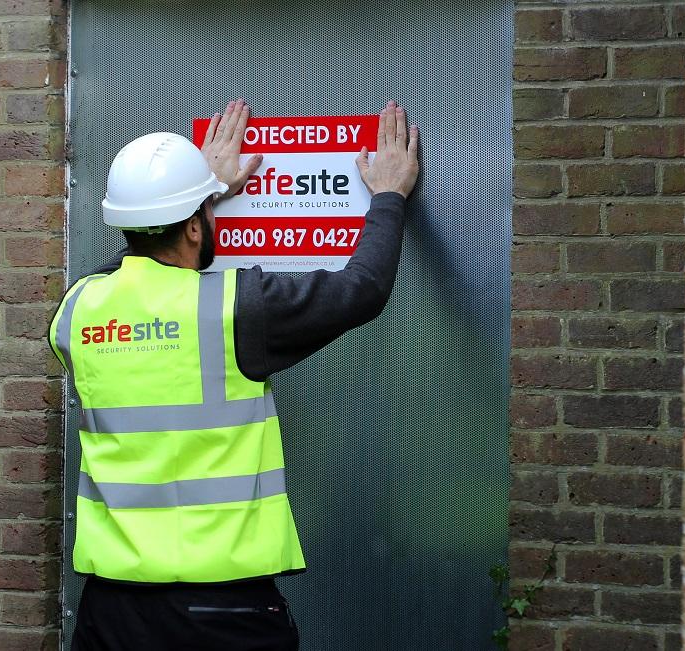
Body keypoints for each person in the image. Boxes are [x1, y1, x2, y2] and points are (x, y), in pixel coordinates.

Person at [50, 99, 419, 651]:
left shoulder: (76, 311)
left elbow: (124, 271)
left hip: (112, 613)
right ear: (196, 228)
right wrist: (389, 196)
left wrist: (201, 194)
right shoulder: (233, 308)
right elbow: (361, 290)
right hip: (222, 612)